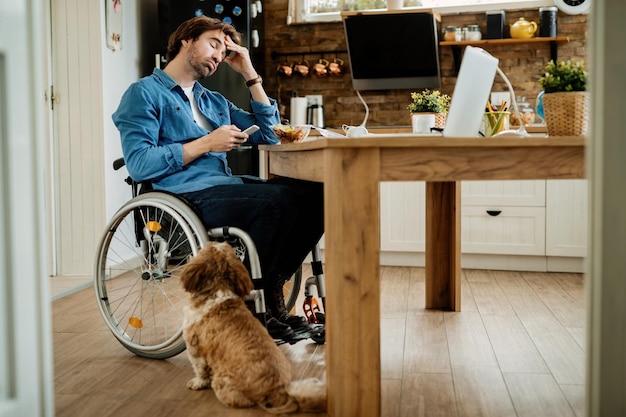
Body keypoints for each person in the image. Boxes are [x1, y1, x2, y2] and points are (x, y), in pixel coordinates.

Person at [112, 16, 324, 339]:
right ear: (187, 39)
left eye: (224, 52)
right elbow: (140, 163)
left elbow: (271, 134)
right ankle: (256, 305)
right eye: (214, 43)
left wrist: (250, 73)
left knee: (317, 194)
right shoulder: (143, 94)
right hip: (183, 198)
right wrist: (207, 143)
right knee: (276, 202)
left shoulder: (213, 101)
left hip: (225, 189)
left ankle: (272, 289)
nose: (218, 56)